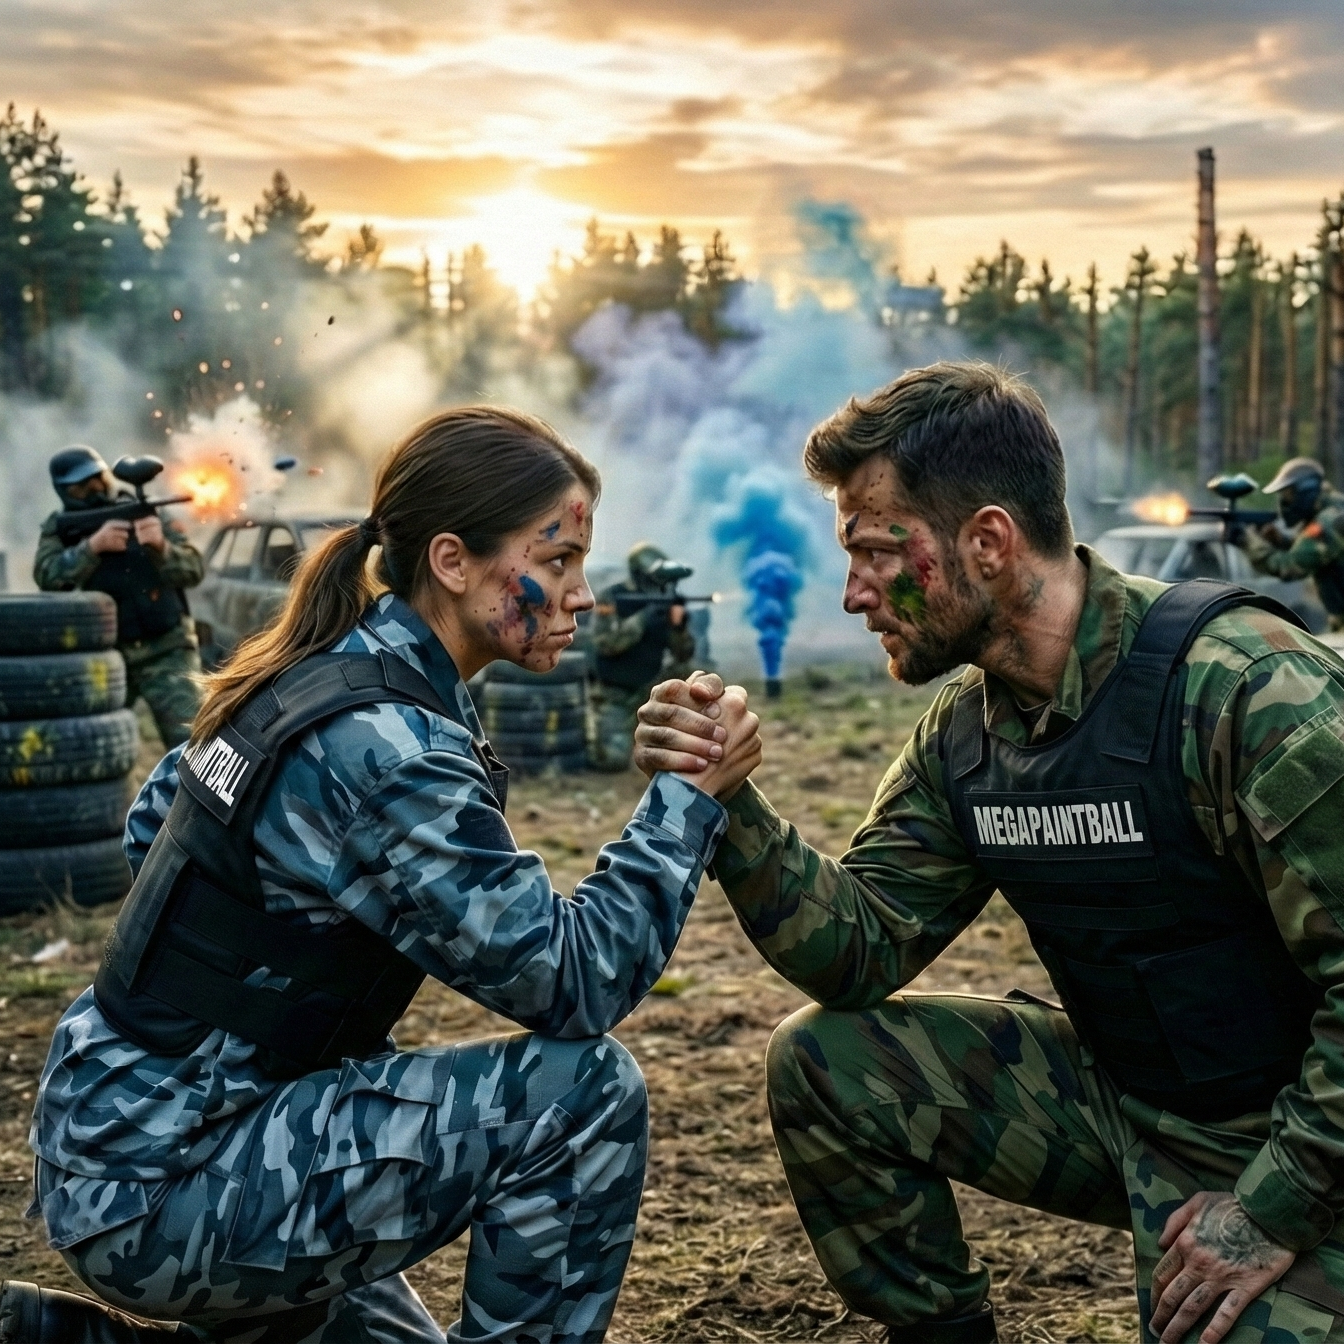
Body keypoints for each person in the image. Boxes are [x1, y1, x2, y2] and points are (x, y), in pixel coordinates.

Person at [13, 407, 760, 1343]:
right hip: (169, 1184)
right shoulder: (388, 745)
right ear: (451, 562)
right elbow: (577, 983)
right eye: (556, 561)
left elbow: (154, 827)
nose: (581, 595)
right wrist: (687, 802)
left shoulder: (314, 671)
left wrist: (293, 1015)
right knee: (581, 1096)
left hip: (128, 1136)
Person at [635, 362, 1344, 1344]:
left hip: (1302, 1137)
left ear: (989, 542)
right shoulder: (967, 738)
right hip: (1129, 1102)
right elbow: (857, 949)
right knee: (828, 1062)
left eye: (878, 553)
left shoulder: (1244, 689)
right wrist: (731, 801)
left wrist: (1271, 1207)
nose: (853, 594)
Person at [35, 446, 204, 748]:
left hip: (167, 649)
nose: (94, 489)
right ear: (64, 491)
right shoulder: (60, 528)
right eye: (81, 486)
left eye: (98, 479)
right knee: (94, 745)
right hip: (107, 657)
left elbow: (194, 569)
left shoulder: (146, 511)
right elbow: (47, 576)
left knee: (193, 744)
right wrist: (91, 549)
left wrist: (161, 547)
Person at [586, 542, 697, 771]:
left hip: (649, 691)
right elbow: (606, 643)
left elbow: (683, 654)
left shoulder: (667, 601)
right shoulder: (613, 597)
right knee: (610, 762)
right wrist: (644, 619)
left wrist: (678, 627)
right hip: (614, 693)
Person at [1240, 456, 1344, 629]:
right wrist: (1281, 541)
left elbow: (1288, 567)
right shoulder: (1334, 509)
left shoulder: (1329, 521)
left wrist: (1246, 541)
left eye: (1288, 495)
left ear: (1306, 491)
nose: (1284, 503)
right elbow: (1315, 551)